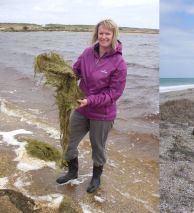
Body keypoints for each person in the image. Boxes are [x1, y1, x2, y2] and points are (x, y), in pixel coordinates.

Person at [56, 19, 127, 193]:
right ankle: (72, 172)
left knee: (98, 148)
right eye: (101, 33)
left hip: (102, 114)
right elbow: (76, 71)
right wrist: (66, 75)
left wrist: (91, 100)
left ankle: (96, 177)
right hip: (82, 108)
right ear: (97, 34)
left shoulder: (119, 63)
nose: (103, 37)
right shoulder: (87, 53)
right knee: (69, 141)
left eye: (107, 34)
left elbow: (114, 93)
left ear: (113, 36)